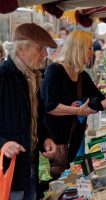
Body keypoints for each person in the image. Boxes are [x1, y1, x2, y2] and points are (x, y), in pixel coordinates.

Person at [41, 30, 106, 179]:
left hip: (71, 144)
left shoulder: (82, 76)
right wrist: (78, 111)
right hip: (52, 146)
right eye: (89, 48)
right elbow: (49, 106)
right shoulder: (55, 71)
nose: (93, 52)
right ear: (78, 48)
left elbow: (101, 101)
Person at [0, 23, 57, 200]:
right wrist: (2, 143)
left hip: (29, 165)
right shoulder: (3, 75)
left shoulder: (33, 76)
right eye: (40, 49)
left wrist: (45, 137)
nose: (45, 54)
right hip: (8, 171)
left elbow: (35, 118)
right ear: (20, 49)